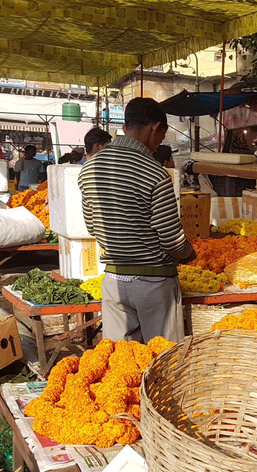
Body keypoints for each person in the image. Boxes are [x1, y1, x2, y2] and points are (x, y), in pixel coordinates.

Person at [78, 97, 196, 343]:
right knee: (163, 361)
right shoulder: (154, 173)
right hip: (153, 283)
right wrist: (188, 253)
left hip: (113, 282)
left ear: (125, 126)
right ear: (155, 128)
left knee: (123, 362)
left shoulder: (89, 169)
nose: (159, 144)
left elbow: (91, 226)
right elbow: (171, 239)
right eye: (161, 136)